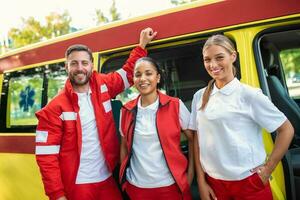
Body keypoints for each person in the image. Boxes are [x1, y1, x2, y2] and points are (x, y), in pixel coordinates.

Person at [35, 28, 157, 200]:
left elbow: (128, 74)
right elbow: (46, 157)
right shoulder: (53, 109)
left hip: (106, 178)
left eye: (84, 63)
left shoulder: (103, 85)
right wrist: (57, 195)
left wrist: (142, 45)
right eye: (74, 63)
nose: (80, 68)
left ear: (91, 65)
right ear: (66, 67)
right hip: (78, 185)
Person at [189, 34, 294, 200]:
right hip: (214, 184)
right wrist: (201, 182)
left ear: (233, 56)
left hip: (249, 183)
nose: (213, 64)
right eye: (207, 59)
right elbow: (197, 139)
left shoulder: (249, 95)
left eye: (219, 57)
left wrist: (268, 168)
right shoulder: (199, 97)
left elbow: (286, 129)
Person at [119, 57, 194, 200]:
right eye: (138, 74)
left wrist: (189, 177)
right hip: (136, 188)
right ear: (133, 79)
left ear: (158, 77)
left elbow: (193, 139)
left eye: (148, 73)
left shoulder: (175, 105)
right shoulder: (126, 110)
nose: (143, 78)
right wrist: (124, 182)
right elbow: (123, 146)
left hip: (171, 187)